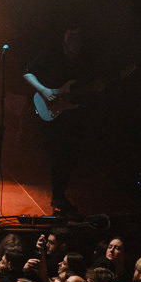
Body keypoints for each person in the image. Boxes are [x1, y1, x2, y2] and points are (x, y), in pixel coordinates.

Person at [22, 23, 96, 215]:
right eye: (71, 37)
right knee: (58, 155)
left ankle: (59, 196)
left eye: (78, 38)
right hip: (51, 112)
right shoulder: (51, 53)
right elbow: (28, 72)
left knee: (69, 156)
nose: (74, 42)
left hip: (72, 115)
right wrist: (45, 91)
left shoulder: (85, 60)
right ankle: (58, 196)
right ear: (64, 37)